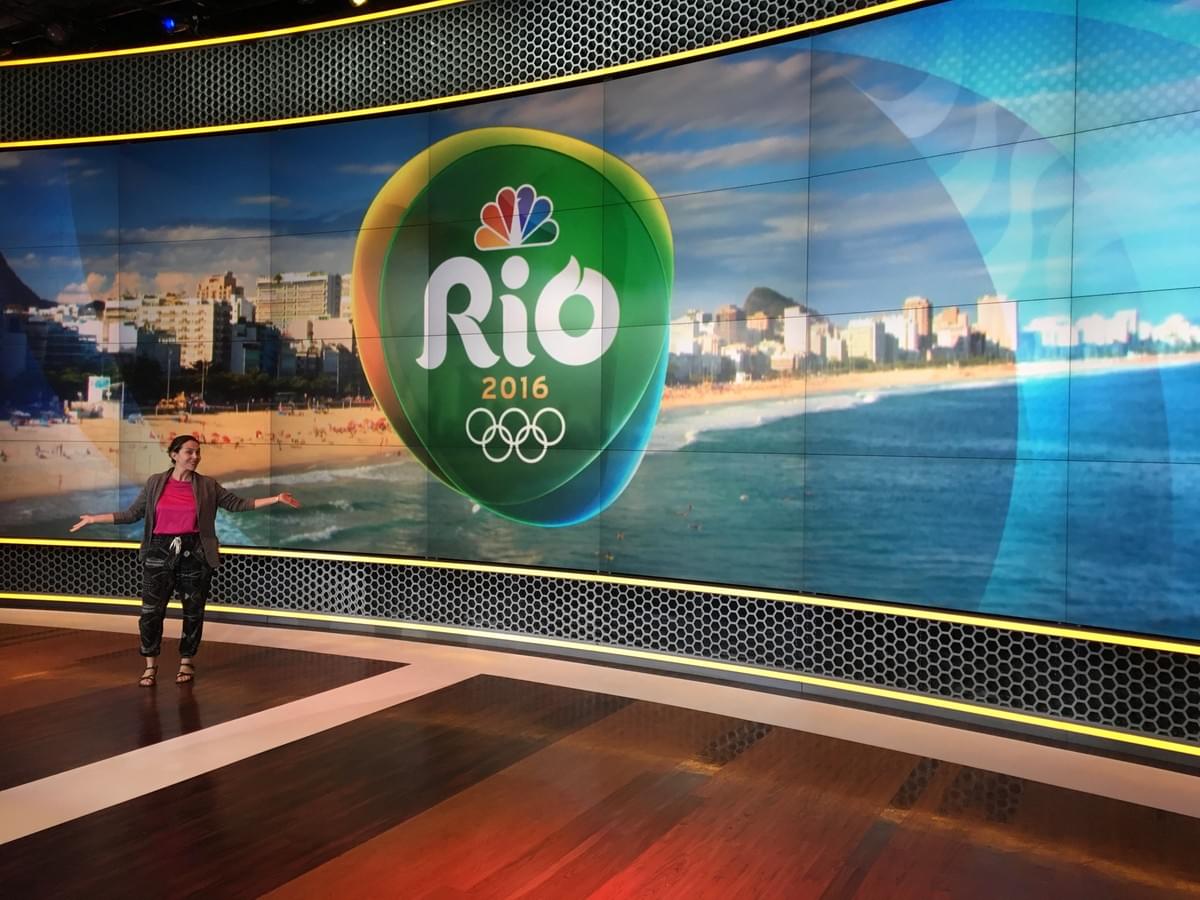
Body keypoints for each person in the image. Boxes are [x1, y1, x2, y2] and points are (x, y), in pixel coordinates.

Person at [70, 435, 301, 687]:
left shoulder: (207, 485)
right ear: (174, 454)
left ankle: (186, 661)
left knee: (192, 613)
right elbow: (132, 514)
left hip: (195, 553)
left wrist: (275, 499)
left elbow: (237, 504)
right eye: (189, 452)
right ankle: (150, 664)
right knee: (151, 613)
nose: (195, 457)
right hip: (158, 552)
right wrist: (94, 519)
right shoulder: (155, 482)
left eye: (198, 453)